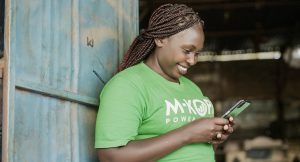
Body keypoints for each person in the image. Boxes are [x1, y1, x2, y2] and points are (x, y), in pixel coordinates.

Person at [95, 3, 234, 162]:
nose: (192, 60)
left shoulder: (192, 88)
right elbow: (111, 157)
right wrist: (188, 134)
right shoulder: (127, 86)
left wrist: (212, 137)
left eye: (197, 54)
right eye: (187, 51)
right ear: (160, 39)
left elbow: (194, 150)